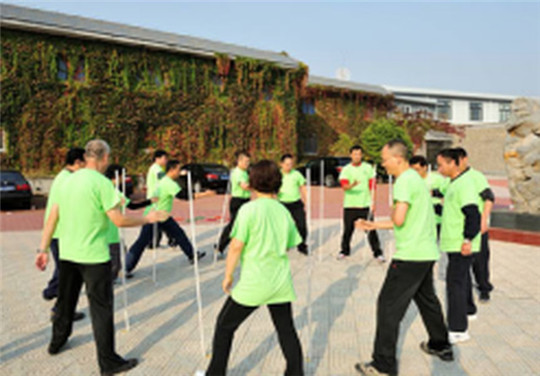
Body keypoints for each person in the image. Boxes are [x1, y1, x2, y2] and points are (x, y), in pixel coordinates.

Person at [35, 140, 167, 375]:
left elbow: (52, 217)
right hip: (94, 257)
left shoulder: (66, 180)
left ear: (87, 156)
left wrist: (43, 249)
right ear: (104, 157)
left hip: (67, 253)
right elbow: (119, 220)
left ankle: (56, 343)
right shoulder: (102, 183)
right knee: (101, 309)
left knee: (66, 302)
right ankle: (108, 362)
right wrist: (149, 218)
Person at [355, 140, 453, 376]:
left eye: (384, 159)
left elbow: (398, 219)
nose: (383, 164)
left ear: (397, 158)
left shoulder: (403, 182)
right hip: (426, 252)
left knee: (388, 307)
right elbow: (408, 219)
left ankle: (383, 365)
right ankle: (441, 345)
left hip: (410, 255)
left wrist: (378, 219)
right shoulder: (416, 180)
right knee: (427, 300)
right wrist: (375, 223)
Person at [205, 160, 304, 376]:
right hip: (279, 281)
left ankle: (215, 373)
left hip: (254, 282)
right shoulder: (283, 211)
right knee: (286, 330)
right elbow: (289, 244)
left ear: (253, 182)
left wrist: (228, 275)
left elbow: (236, 246)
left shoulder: (248, 210)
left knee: (224, 326)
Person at [125, 160, 213, 274]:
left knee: (179, 234)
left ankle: (192, 255)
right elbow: (184, 196)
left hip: (164, 215)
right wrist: (206, 194)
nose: (179, 172)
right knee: (142, 242)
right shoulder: (168, 183)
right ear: (172, 170)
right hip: (154, 215)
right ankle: (127, 267)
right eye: (178, 169)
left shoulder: (164, 179)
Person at [437, 148, 481, 344]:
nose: (439, 168)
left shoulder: (464, 184)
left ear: (453, 163)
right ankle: (466, 314)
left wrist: (467, 240)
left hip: (461, 244)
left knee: (455, 285)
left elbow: (473, 214)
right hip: (453, 243)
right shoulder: (453, 183)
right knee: (459, 283)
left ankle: (457, 329)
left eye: (441, 164)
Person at [42, 147, 86, 322]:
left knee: (64, 270)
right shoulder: (68, 180)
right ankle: (59, 310)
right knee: (68, 273)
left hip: (59, 231)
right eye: (85, 162)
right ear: (77, 162)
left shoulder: (64, 176)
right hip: (61, 232)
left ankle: (52, 293)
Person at [452, 147, 495, 302]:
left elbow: (489, 198)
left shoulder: (476, 176)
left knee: (480, 260)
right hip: (460, 228)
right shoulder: (454, 177)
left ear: (464, 159)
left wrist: (484, 220)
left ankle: (484, 288)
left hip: (477, 225)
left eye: (457, 161)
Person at [104, 164, 157, 281]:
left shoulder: (104, 187)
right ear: (117, 176)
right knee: (114, 262)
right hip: (110, 233)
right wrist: (150, 202)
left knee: (119, 252)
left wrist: (149, 201)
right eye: (124, 176)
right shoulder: (112, 191)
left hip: (106, 231)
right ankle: (108, 283)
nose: (125, 179)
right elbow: (132, 206)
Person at [337, 145, 384, 261]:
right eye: (355, 154)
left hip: (365, 204)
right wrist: (352, 185)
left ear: (362, 155)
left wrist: (373, 202)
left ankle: (377, 253)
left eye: (359, 154)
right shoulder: (346, 169)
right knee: (348, 229)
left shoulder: (368, 168)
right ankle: (344, 251)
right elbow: (344, 186)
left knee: (370, 229)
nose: (357, 156)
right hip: (350, 205)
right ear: (351, 155)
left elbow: (372, 186)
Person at [216, 150, 251, 257]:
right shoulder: (237, 172)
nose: (247, 164)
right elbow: (244, 186)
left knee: (248, 224)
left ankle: (246, 246)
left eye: (248, 161)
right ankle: (219, 247)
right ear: (239, 161)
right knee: (234, 225)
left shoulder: (245, 172)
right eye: (245, 161)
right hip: (238, 201)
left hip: (246, 200)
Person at [409, 155, 448, 237]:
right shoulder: (410, 182)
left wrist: (435, 193)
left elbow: (448, 193)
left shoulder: (437, 179)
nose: (415, 173)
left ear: (425, 167)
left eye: (417, 170)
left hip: (437, 219)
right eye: (412, 170)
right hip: (420, 221)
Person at [278, 154, 308, 255]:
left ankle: (302, 245)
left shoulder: (296, 174)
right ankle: (284, 245)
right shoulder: (277, 175)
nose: (289, 166)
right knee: (283, 227)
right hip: (282, 204)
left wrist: (306, 199)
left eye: (291, 164)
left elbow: (303, 186)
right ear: (281, 164)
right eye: (286, 164)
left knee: (302, 225)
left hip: (296, 203)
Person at [146, 150, 169, 248]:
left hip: (157, 197)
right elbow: (163, 178)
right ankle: (171, 238)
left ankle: (154, 242)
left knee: (159, 220)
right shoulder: (156, 168)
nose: (166, 160)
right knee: (159, 219)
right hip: (155, 198)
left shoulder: (159, 168)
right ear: (157, 159)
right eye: (164, 158)